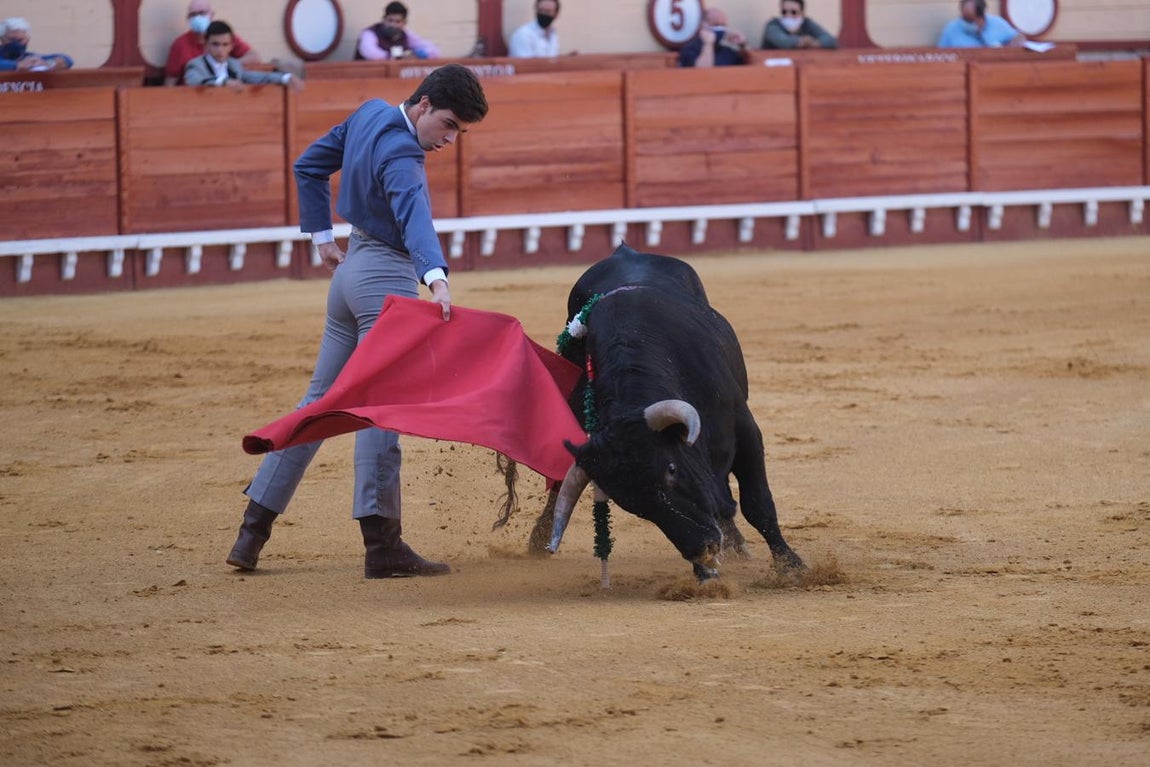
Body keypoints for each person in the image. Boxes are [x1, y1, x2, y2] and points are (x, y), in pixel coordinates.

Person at [226, 64, 489, 579]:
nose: (450, 140)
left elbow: (309, 165)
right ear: (424, 104)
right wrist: (436, 277)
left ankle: (251, 531)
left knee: (317, 405)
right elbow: (414, 215)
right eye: (449, 125)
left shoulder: (369, 113)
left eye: (460, 131)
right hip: (384, 283)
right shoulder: (405, 154)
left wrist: (322, 236)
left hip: (347, 278)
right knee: (379, 409)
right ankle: (382, 544)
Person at [184, 21, 302, 90]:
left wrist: (285, 77)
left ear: (231, 46)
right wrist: (223, 82)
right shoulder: (196, 65)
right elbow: (194, 80)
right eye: (215, 44)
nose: (220, 49)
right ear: (206, 45)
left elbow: (259, 77)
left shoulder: (234, 65)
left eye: (225, 45)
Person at [165, 0, 259, 86]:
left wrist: (227, 64)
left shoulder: (224, 38)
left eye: (202, 13)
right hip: (193, 94)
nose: (197, 17)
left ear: (211, 15)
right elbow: (171, 80)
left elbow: (253, 57)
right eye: (193, 14)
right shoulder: (180, 44)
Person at [356, 1, 440, 61]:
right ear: (383, 19)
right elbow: (371, 53)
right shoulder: (370, 33)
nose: (393, 25)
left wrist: (419, 54)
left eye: (398, 21)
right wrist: (396, 57)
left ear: (404, 23)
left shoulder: (407, 35)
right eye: (390, 20)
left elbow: (434, 51)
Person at [678, 7, 749, 68]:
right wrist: (708, 44)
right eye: (716, 24)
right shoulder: (690, 49)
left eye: (723, 25)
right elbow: (702, 73)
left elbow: (752, 66)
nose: (720, 28)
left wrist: (743, 45)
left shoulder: (728, 52)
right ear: (703, 25)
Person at [938, 0, 1025, 48]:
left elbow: (1019, 37)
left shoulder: (997, 23)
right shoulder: (951, 29)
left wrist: (1008, 48)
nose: (965, 23)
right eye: (964, 18)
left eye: (969, 20)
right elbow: (940, 55)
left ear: (981, 17)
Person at [0, 17, 74, 72]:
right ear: (2, 39)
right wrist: (17, 65)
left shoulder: (29, 58)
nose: (16, 43)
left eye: (20, 40)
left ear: (27, 40)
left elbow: (67, 60)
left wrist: (47, 63)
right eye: (12, 39)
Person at [760, 0, 838, 50]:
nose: (788, 15)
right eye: (784, 12)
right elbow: (782, 41)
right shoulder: (773, 25)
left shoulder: (807, 23)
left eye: (793, 12)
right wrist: (801, 41)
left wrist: (814, 43)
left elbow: (830, 40)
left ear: (802, 13)